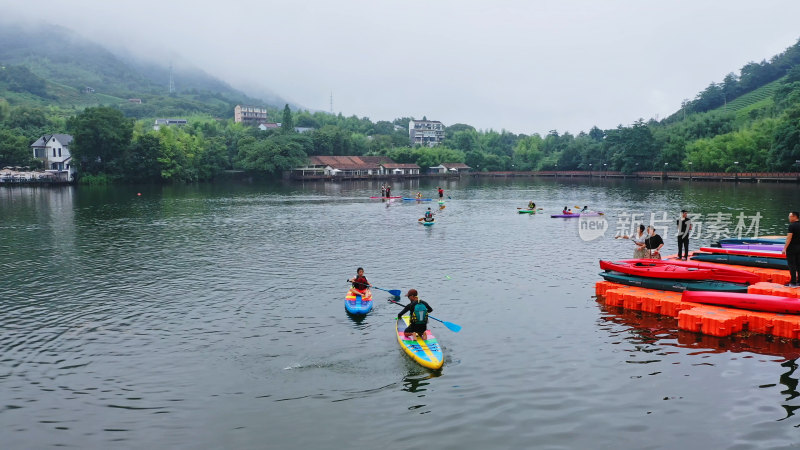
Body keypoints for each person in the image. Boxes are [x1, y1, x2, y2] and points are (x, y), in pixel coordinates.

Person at [783, 211, 800, 287]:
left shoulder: (792, 226)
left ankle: (793, 282)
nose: (789, 218)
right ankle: (799, 281)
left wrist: (784, 248)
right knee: (798, 265)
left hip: (792, 248)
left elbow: (789, 238)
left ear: (794, 216)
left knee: (792, 265)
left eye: (790, 216)